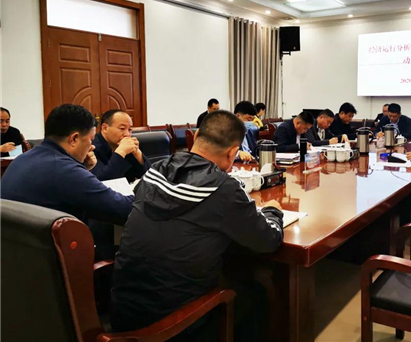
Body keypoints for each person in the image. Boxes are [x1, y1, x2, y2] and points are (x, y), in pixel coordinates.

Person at [110, 110, 284, 342]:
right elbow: (268, 241)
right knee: (255, 294)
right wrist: (273, 211)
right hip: (173, 327)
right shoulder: (223, 188)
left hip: (122, 313)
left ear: (196, 136)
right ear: (233, 153)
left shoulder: (156, 170)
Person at [1, 104, 133, 225]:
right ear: (74, 139)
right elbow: (125, 209)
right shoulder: (66, 170)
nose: (92, 147)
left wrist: (82, 168)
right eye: (90, 140)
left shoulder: (22, 159)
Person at [91, 110, 150, 182]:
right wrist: (121, 152)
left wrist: (138, 154)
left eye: (130, 129)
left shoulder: (127, 146)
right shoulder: (92, 147)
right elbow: (102, 180)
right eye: (122, 128)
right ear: (105, 128)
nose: (127, 134)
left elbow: (150, 177)